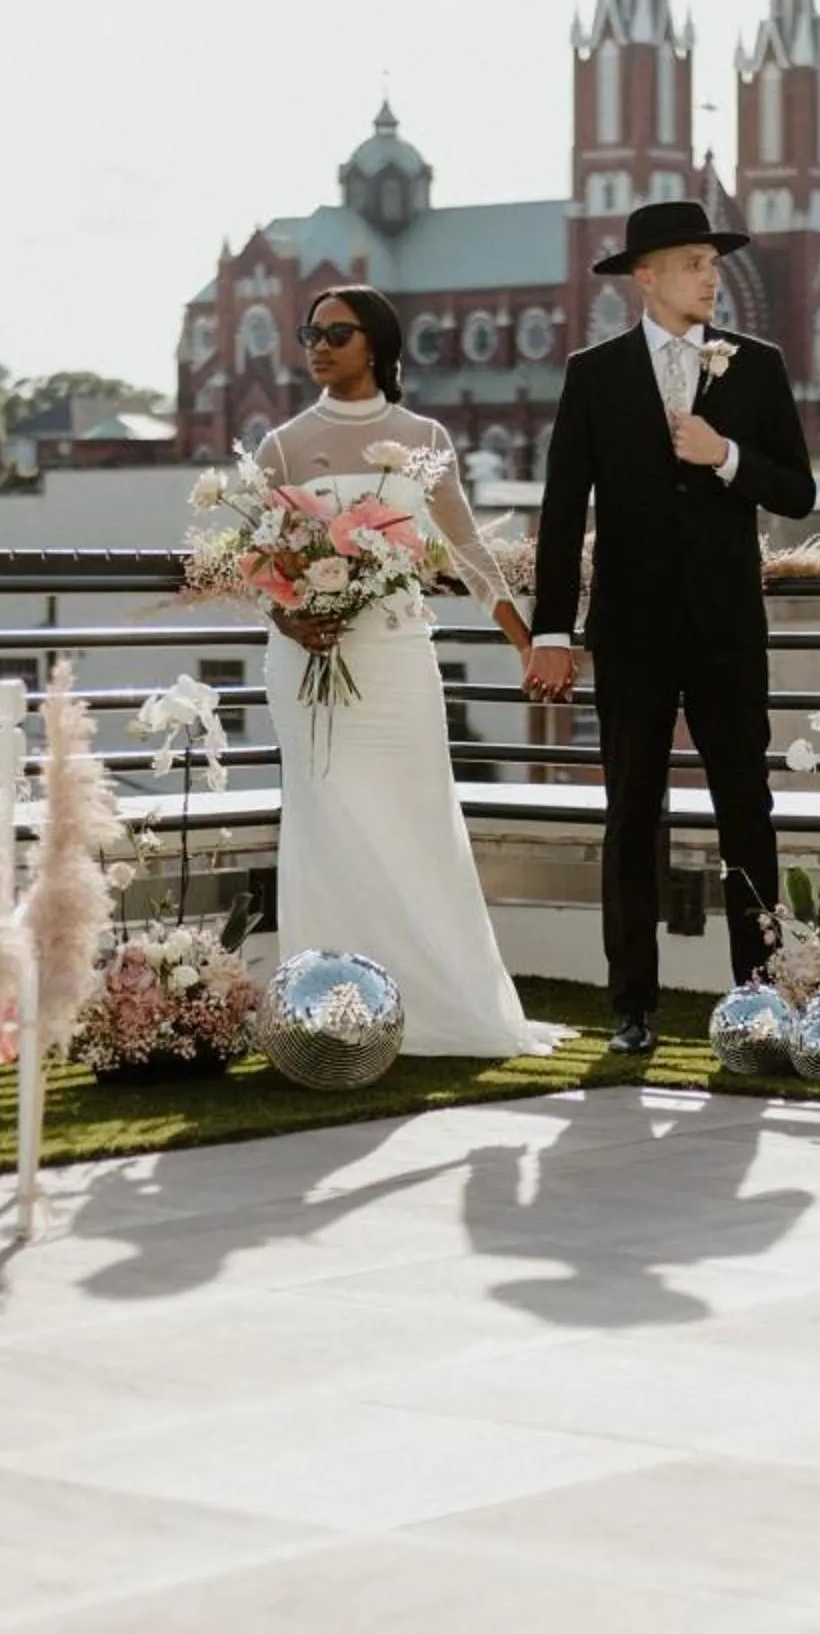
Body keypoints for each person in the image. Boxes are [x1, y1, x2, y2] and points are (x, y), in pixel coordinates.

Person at [524, 201, 817, 1056]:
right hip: (630, 629)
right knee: (631, 815)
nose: (709, 276)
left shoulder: (757, 367)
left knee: (746, 809)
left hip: (727, 628)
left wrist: (722, 456)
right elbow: (559, 509)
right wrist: (552, 629)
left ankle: (757, 999)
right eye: (693, 262)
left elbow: (797, 490)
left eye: (713, 263)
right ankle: (632, 1008)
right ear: (644, 276)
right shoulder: (594, 373)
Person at [254, 284, 567, 1058]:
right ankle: (325, 1016)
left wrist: (525, 642)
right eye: (310, 332)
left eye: (338, 332)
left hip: (396, 662)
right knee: (327, 826)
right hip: (309, 668)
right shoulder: (283, 445)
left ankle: (434, 1004)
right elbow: (260, 565)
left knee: (418, 821)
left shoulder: (423, 435)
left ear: (378, 347)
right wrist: (290, 616)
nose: (318, 345)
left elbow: (466, 551)